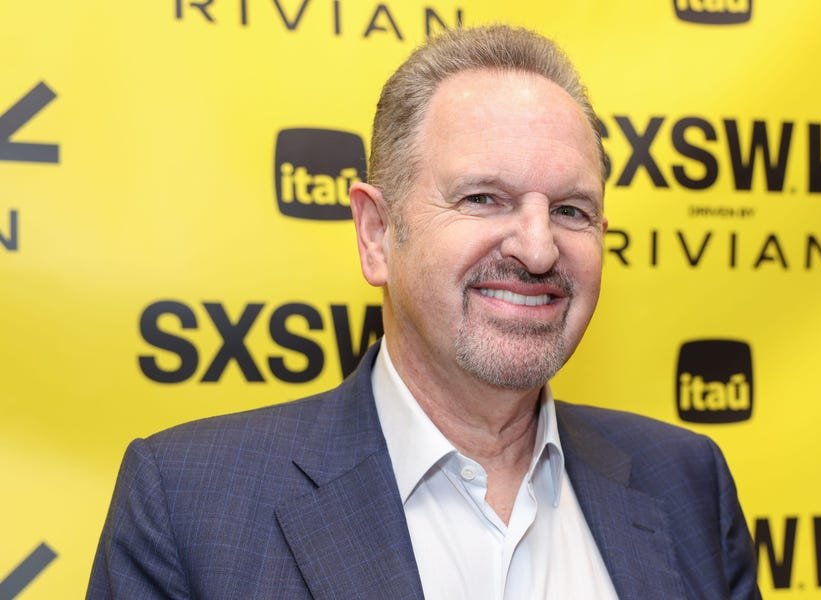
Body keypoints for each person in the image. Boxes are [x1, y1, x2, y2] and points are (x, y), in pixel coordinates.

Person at [88, 25, 760, 599]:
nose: (537, 248)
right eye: (483, 199)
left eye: (570, 210)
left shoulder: (688, 486)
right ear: (376, 234)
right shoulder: (190, 508)